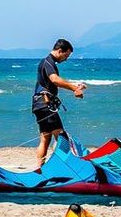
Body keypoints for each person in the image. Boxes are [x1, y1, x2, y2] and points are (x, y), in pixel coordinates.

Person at [32, 38, 86, 166]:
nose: (66, 59)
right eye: (66, 55)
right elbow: (55, 80)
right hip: (45, 106)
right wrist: (74, 88)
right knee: (61, 137)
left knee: (45, 138)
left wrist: (75, 85)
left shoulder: (47, 62)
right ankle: (66, 166)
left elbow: (52, 82)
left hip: (39, 105)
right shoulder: (48, 62)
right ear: (60, 51)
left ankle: (40, 169)